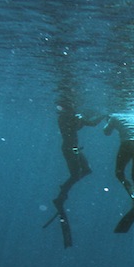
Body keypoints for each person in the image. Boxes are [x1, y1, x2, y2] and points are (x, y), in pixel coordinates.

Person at [45, 96, 105, 248]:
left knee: (86, 171)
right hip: (70, 150)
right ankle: (63, 192)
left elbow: (90, 123)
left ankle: (63, 191)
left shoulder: (69, 117)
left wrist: (102, 115)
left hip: (73, 149)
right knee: (80, 172)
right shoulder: (64, 118)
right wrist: (89, 116)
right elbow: (82, 124)